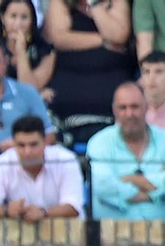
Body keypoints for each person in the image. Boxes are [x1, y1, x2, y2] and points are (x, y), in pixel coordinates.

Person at [43, 0, 136, 146]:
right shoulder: (62, 2)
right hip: (69, 85)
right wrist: (104, 41)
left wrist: (95, 4)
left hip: (111, 83)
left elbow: (118, 35)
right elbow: (59, 38)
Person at [87, 81, 165, 219]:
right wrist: (152, 195)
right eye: (123, 108)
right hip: (111, 234)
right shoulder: (99, 142)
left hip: (164, 234)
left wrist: (131, 179)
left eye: (135, 107)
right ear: (114, 110)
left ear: (146, 107)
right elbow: (102, 185)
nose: (129, 114)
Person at [0, 113, 82, 217]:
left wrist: (43, 213)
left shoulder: (66, 159)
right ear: (13, 144)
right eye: (21, 145)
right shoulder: (2, 163)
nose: (28, 152)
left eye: (33, 144)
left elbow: (73, 207)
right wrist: (7, 211)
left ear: (45, 142)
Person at [0, 0, 55, 99]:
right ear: (3, 18)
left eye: (24, 17)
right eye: (13, 16)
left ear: (32, 20)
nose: (18, 23)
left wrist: (21, 52)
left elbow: (28, 90)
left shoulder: (45, 50)